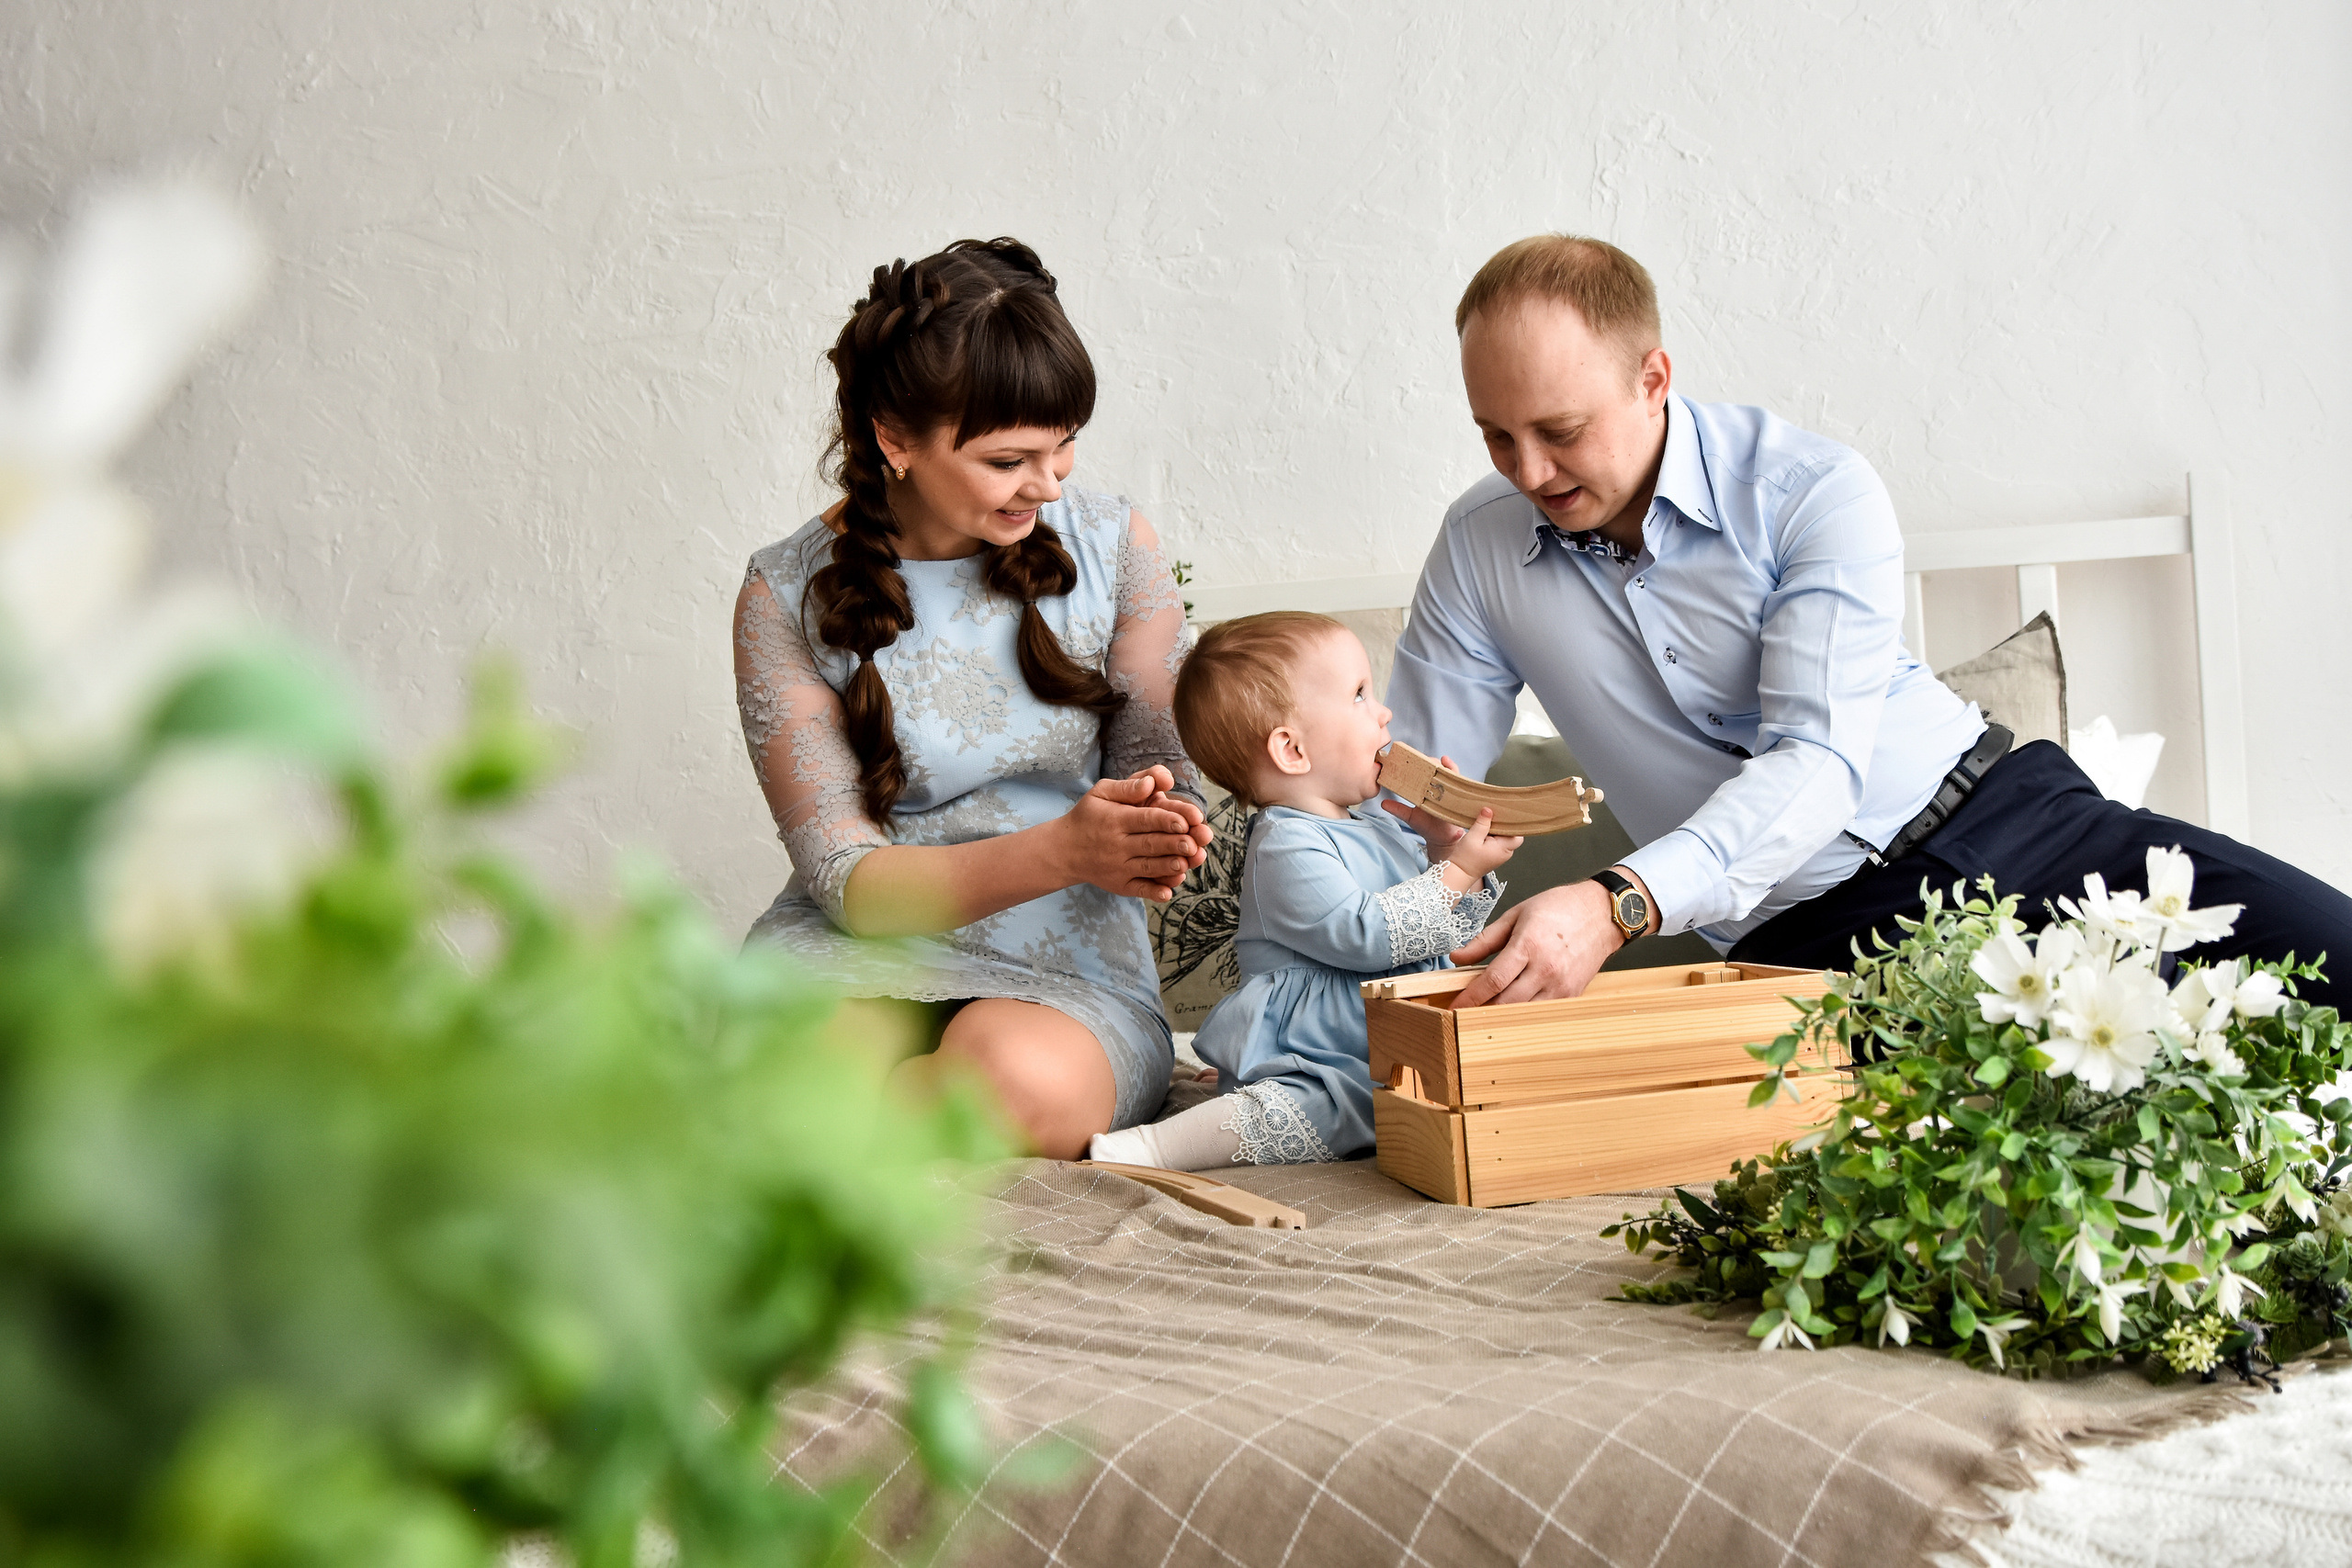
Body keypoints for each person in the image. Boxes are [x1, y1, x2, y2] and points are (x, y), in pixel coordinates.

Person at [1385, 234, 2352, 1007]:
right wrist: (1296, 801)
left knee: (2334, 957)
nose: (1528, 472)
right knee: (2100, 1094)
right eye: (1495, 436)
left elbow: (1817, 764)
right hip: (1814, 943)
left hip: (2020, 820)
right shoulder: (1477, 549)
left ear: (1652, 380)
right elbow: (1420, 798)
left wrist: (1620, 901)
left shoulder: (1810, 490)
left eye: (1558, 432)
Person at [733, 238, 1211, 1158]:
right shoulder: (781, 595)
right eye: (1008, 460)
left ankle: (824, 1157)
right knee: (799, 1072)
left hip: (1067, 974)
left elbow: (1166, 779)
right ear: (894, 439)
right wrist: (1065, 845)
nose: (1050, 482)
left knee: (1009, 1079)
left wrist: (1159, 822)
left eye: (1064, 444)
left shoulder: (1115, 548)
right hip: (849, 956)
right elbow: (847, 884)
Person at [1088, 613, 1517, 1170]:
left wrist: (1441, 846)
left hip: (1391, 1039)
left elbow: (1449, 942)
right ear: (1292, 751)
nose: (1384, 711)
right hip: (1320, 1050)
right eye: (1360, 695)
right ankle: (1153, 1147)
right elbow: (1368, 934)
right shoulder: (1284, 845)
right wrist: (1458, 869)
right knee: (1320, 1106)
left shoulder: (1379, 826)